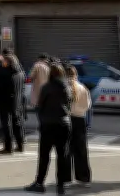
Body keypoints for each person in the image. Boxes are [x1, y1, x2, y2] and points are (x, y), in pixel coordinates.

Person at [24, 63, 72, 194]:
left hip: (48, 124)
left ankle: (39, 183)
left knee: (44, 155)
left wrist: (42, 117)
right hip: (64, 123)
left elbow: (40, 104)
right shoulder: (66, 87)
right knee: (62, 155)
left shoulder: (47, 87)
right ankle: (61, 185)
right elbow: (69, 103)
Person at [64, 65, 91, 187]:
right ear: (76, 75)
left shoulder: (64, 88)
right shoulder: (82, 87)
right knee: (81, 150)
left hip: (67, 119)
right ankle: (84, 177)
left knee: (66, 150)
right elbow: (87, 105)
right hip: (80, 119)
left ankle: (65, 178)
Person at [0, 54, 25, 154]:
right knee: (17, 124)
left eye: (4, 61)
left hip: (5, 101)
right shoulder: (20, 72)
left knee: (6, 124)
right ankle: (20, 145)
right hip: (17, 102)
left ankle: (8, 147)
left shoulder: (3, 73)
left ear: (7, 62)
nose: (3, 63)